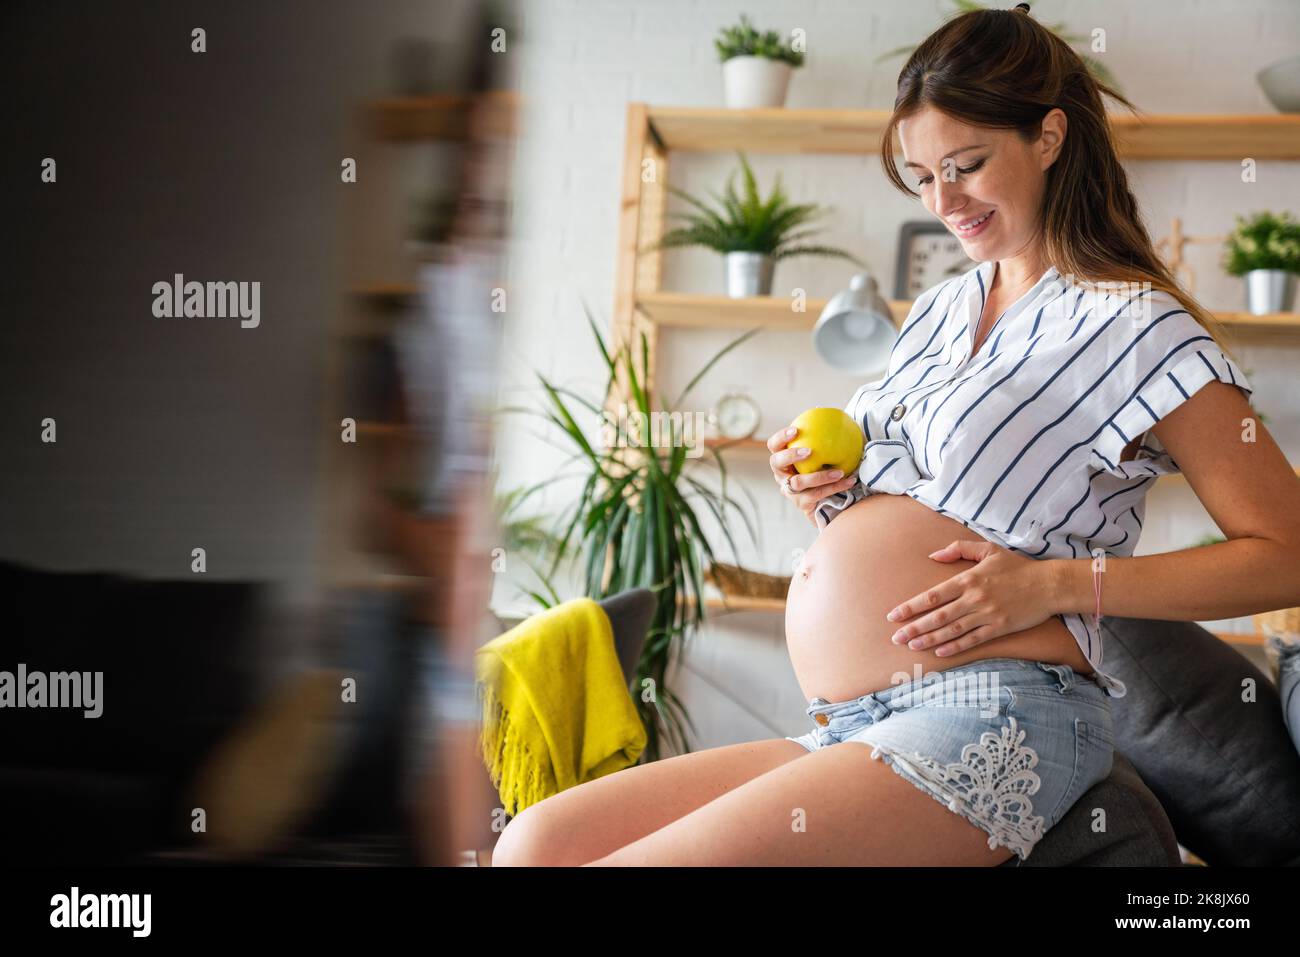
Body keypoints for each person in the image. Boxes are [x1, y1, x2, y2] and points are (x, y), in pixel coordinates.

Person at [489, 4, 1300, 866]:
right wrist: (829, 490)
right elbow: (910, 501)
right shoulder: (945, 307)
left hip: (995, 709)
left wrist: (1052, 583)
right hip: (854, 720)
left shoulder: (1142, 325)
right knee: (534, 844)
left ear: (1051, 136)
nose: (942, 200)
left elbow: (1284, 551)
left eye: (966, 165)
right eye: (920, 176)